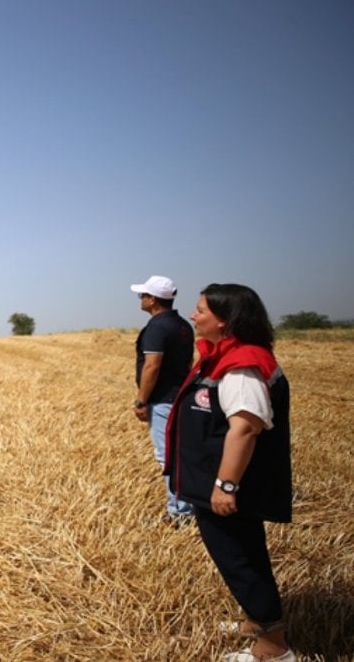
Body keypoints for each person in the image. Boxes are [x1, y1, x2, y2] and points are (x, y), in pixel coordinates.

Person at [166, 284, 294, 662]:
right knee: (240, 555)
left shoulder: (242, 365)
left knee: (241, 561)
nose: (193, 315)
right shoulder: (225, 357)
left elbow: (245, 429)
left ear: (224, 320)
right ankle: (257, 622)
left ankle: (273, 648)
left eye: (201, 310)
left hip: (231, 488)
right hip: (216, 483)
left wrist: (225, 485)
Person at [130, 275, 195, 526]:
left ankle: (180, 513)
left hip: (163, 399)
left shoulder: (157, 327)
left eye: (143, 295)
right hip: (180, 395)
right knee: (179, 452)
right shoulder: (182, 326)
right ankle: (185, 508)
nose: (140, 299)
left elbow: (152, 366)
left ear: (153, 300)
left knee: (168, 456)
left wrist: (141, 401)